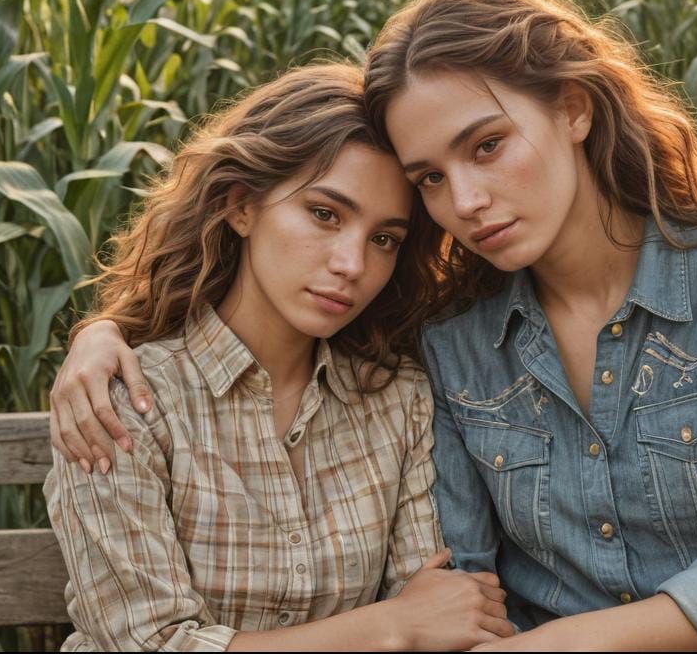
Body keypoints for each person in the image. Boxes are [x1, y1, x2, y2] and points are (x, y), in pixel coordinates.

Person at [53, 0, 697, 651]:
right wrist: (103, 333)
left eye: (486, 146)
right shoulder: (452, 335)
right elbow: (456, 576)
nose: (468, 203)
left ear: (574, 109)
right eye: (432, 179)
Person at [43, 63, 513, 651]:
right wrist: (389, 626)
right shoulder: (127, 402)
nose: (352, 263)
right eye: (324, 214)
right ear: (241, 206)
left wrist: (412, 622)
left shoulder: (397, 398)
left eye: (383, 238)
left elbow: (435, 608)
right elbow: (150, 644)